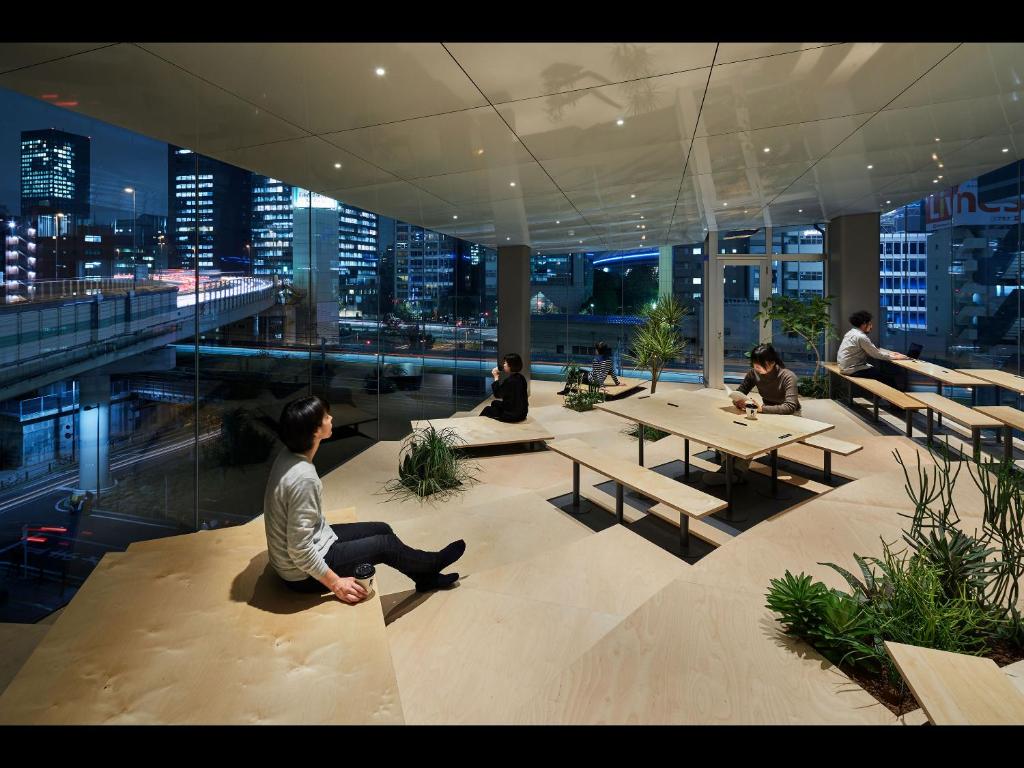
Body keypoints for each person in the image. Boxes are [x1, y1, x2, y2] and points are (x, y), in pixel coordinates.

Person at [264, 395, 465, 604]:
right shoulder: (304, 477)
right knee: (386, 545)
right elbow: (299, 549)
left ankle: (424, 577)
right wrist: (335, 583)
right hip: (301, 574)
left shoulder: (288, 455)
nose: (331, 418)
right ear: (315, 431)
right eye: (325, 417)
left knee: (383, 529)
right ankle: (431, 564)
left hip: (311, 546)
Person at [704, 344, 800, 487]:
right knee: (728, 428)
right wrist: (739, 402)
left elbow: (790, 407)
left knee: (753, 434)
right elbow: (740, 392)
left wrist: (761, 409)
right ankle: (729, 470)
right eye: (755, 364)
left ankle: (734, 472)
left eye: (761, 365)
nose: (757, 368)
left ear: (772, 362)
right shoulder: (753, 374)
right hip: (765, 412)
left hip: (790, 417)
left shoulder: (787, 376)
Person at [836, 310, 907, 388]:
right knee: (889, 379)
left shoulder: (850, 333)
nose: (871, 326)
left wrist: (890, 354)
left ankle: (881, 399)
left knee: (880, 373)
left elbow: (872, 351)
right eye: (870, 324)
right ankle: (894, 398)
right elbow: (876, 354)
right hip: (853, 369)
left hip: (844, 367)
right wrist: (896, 357)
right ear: (864, 324)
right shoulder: (861, 337)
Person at [480, 352, 529, 422]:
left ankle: (478, 424)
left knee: (487, 409)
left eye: (505, 363)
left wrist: (496, 377)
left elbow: (497, 394)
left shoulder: (510, 381)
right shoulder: (521, 377)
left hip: (512, 415)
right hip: (522, 413)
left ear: (511, 365)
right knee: (494, 403)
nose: (503, 365)